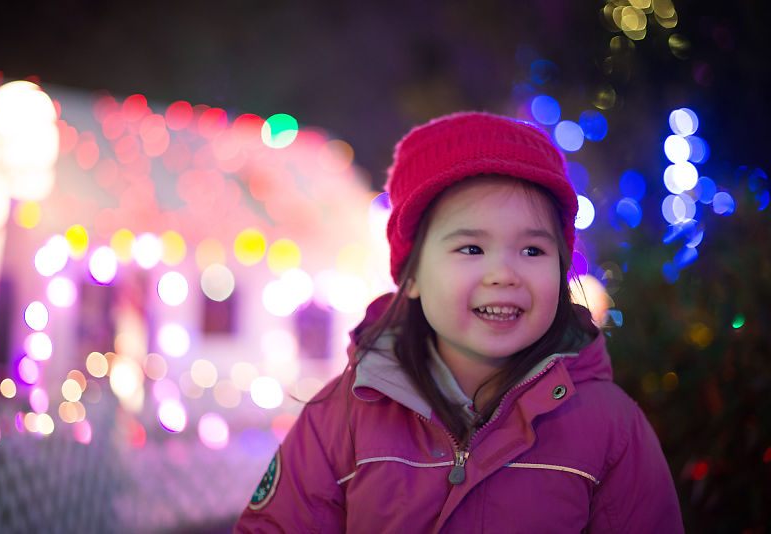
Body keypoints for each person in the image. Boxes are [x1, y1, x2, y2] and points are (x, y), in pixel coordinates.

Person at [235, 112, 684, 533]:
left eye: (532, 250)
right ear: (411, 275)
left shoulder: (609, 426)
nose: (503, 274)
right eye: (471, 248)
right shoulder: (340, 419)